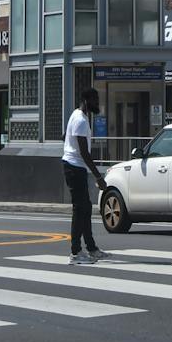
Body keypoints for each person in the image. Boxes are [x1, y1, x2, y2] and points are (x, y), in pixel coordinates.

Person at [62, 88, 111, 265]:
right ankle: (75, 252)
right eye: (95, 99)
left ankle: (91, 249)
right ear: (86, 100)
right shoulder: (81, 120)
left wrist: (69, 146)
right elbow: (84, 152)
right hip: (75, 167)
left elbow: (65, 136)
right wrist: (99, 177)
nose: (97, 103)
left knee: (86, 208)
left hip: (74, 166)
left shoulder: (76, 116)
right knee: (79, 209)